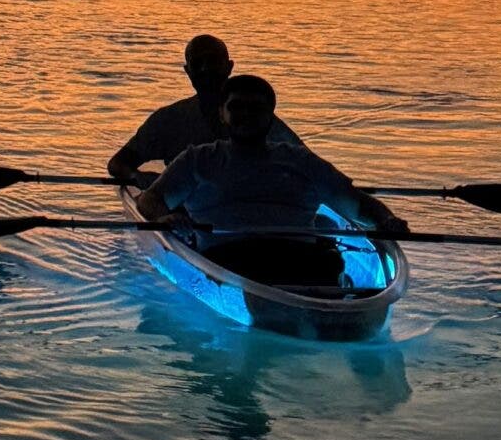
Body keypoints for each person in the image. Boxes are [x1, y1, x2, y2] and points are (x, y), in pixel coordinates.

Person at [135, 74, 408, 286]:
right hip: (228, 258)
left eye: (255, 109)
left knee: (326, 262)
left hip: (299, 258)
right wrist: (163, 219)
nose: (245, 115)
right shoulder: (198, 159)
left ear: (270, 115)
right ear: (222, 113)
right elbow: (151, 199)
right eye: (236, 107)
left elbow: (358, 205)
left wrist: (386, 221)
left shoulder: (301, 160)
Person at [106, 33, 301, 181]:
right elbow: (118, 163)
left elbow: (305, 163)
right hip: (186, 216)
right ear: (188, 71)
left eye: (213, 62)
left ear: (229, 67)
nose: (206, 69)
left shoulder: (258, 120)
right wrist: (137, 177)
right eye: (198, 63)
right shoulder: (169, 120)